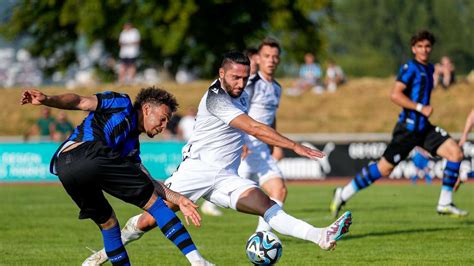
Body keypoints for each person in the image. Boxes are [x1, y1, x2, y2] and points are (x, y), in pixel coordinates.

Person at [84, 51, 352, 265]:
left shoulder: (241, 96)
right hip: (196, 171)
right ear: (221, 74)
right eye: (235, 77)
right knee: (150, 220)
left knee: (266, 204)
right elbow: (254, 127)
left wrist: (244, 144)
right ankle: (103, 256)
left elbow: (243, 129)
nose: (240, 83)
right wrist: (294, 145)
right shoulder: (215, 98)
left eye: (245, 78)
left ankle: (320, 236)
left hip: (225, 176)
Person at [20, 87, 212, 266]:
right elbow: (80, 101)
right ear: (146, 109)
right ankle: (198, 262)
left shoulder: (131, 146)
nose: (163, 126)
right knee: (156, 206)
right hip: (90, 152)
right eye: (162, 119)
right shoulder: (121, 103)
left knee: (109, 224)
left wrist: (179, 199)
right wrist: (47, 99)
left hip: (64, 166)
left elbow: (148, 181)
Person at [330, 30, 468, 218]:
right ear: (413, 48)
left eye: (427, 46)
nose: (424, 50)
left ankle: (445, 203)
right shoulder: (410, 68)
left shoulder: (429, 69)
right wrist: (420, 107)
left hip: (424, 128)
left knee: (455, 153)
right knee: (384, 169)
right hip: (407, 130)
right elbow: (395, 95)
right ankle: (343, 193)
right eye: (420, 46)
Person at [238, 38, 288, 232]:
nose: (271, 60)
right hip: (245, 146)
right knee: (230, 195)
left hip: (262, 149)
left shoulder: (277, 87)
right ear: (257, 58)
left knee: (279, 190)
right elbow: (237, 113)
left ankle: (262, 235)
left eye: (275, 57)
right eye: (267, 56)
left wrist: (275, 145)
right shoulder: (250, 83)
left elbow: (271, 118)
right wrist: (240, 140)